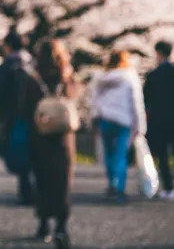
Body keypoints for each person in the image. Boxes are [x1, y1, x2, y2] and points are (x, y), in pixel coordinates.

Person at [17, 40, 80, 249]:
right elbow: (74, 99)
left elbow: (24, 108)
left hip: (40, 136)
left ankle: (43, 224)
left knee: (42, 179)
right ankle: (61, 226)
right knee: (63, 182)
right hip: (64, 138)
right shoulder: (67, 76)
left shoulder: (32, 78)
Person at [89, 50, 146, 204]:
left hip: (105, 119)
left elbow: (94, 101)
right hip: (123, 121)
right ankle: (119, 188)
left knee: (108, 154)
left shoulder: (100, 78)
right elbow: (137, 102)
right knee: (121, 155)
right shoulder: (129, 77)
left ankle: (111, 184)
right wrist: (140, 125)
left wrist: (94, 119)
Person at [0, 29, 33, 205]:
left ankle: (25, 190)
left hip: (13, 113)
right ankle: (33, 190)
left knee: (18, 150)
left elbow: (2, 93)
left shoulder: (7, 65)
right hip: (33, 113)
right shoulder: (32, 61)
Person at [144, 40, 174, 200]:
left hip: (159, 121)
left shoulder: (153, 75)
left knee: (162, 155)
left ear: (158, 53)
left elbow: (146, 99)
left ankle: (169, 187)